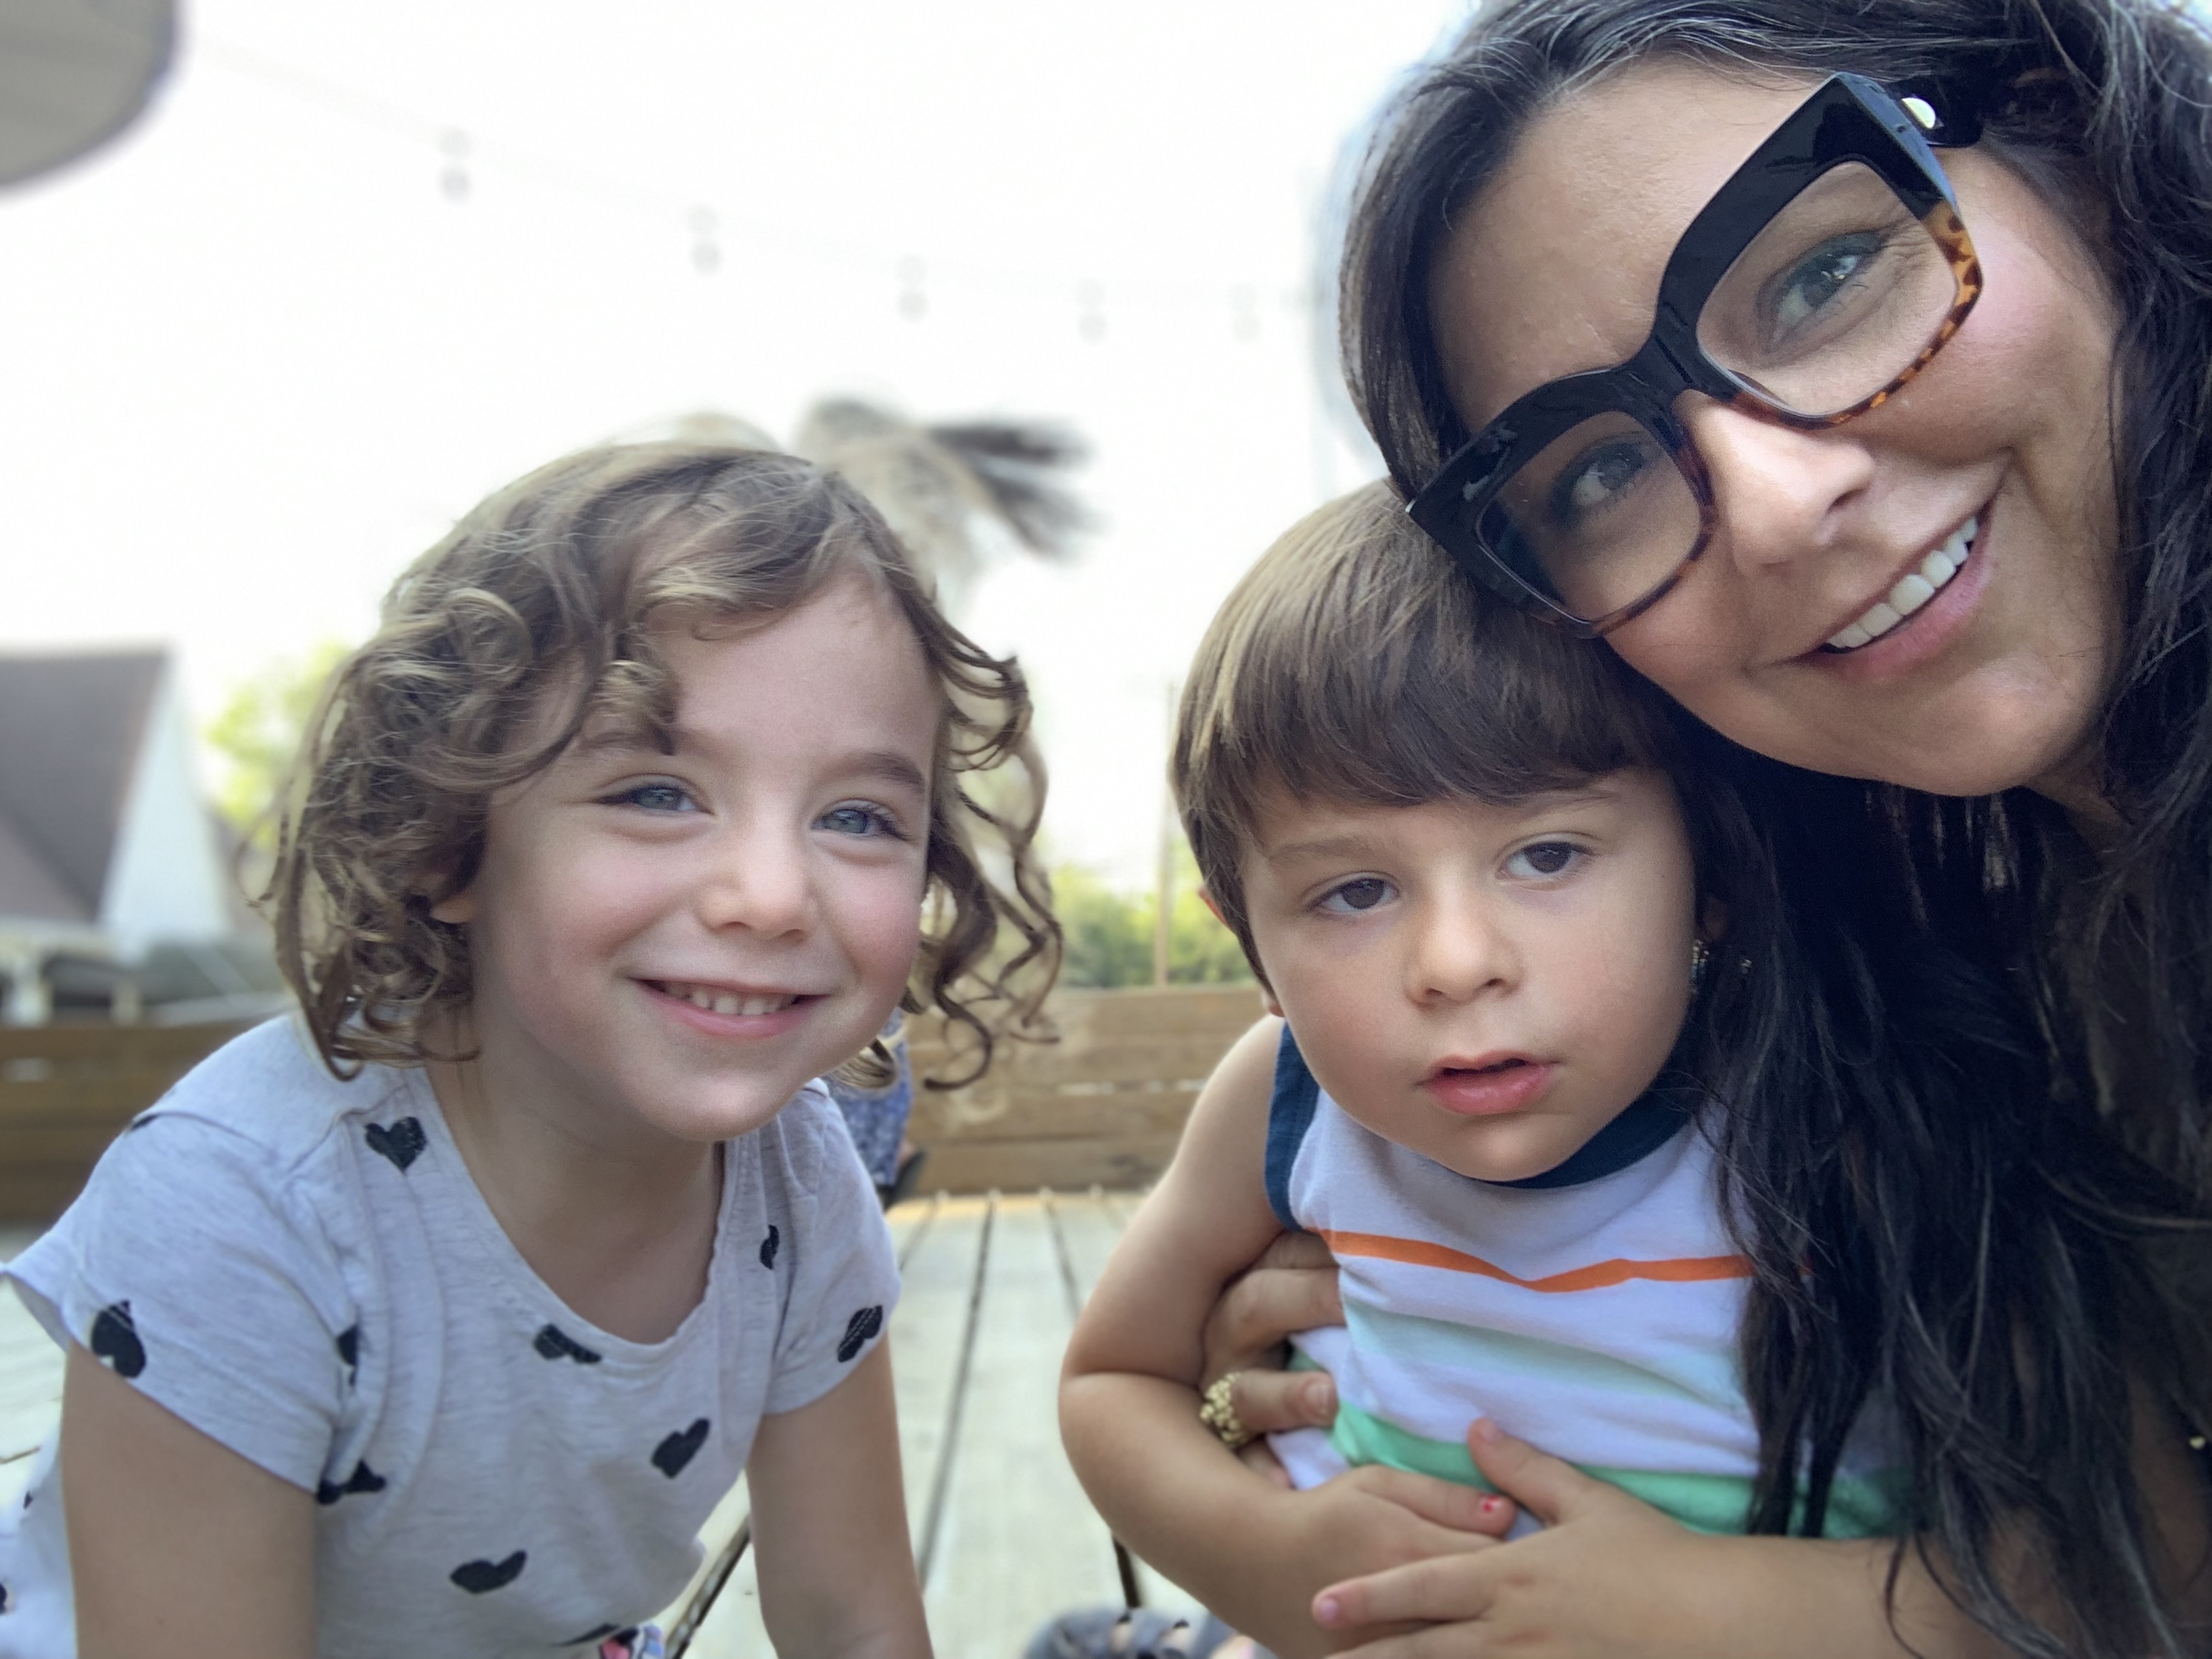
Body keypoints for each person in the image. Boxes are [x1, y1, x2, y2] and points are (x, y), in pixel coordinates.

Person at [1102, 2, 2212, 1655]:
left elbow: (2128, 1564)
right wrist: (1275, 1491)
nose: (1772, 506)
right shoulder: (1929, 968)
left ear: (2072, 134)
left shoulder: (1857, 1121)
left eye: (1822, 274)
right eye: (1595, 473)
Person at [1063, 484, 2199, 1658]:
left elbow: (2145, 1557)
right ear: (1251, 943)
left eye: (1546, 855)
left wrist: (1700, 1611)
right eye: (1355, 891)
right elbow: (1113, 1380)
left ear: (1710, 877)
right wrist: (1265, 1560)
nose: (1455, 962)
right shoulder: (1286, 1103)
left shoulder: (1854, 1128)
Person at [0, 443, 1056, 1657]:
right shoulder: (242, 1205)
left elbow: (853, 1619)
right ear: (447, 842)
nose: (772, 896)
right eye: (655, 793)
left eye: (858, 817)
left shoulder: (802, 1181)